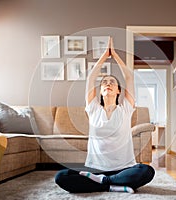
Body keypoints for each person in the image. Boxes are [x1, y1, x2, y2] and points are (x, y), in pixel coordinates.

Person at [55, 37, 155, 193]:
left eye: (112, 82)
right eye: (104, 82)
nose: (108, 83)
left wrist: (114, 55)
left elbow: (129, 77)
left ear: (118, 91)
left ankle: (103, 183)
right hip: (95, 169)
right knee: (61, 177)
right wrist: (104, 55)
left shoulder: (125, 109)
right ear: (100, 91)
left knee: (147, 171)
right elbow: (90, 78)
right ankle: (112, 185)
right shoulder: (93, 108)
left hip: (123, 169)